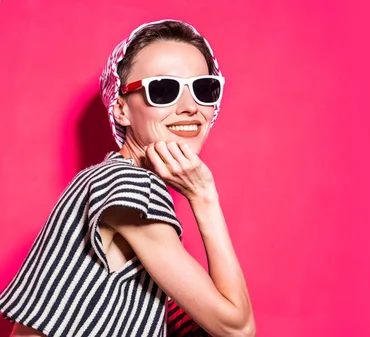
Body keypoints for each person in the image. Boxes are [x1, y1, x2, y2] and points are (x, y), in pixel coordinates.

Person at [0, 19, 255, 337]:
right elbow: (237, 328)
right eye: (163, 90)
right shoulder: (130, 187)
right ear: (121, 108)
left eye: (204, 89)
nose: (191, 107)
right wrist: (204, 196)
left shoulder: (103, 179)